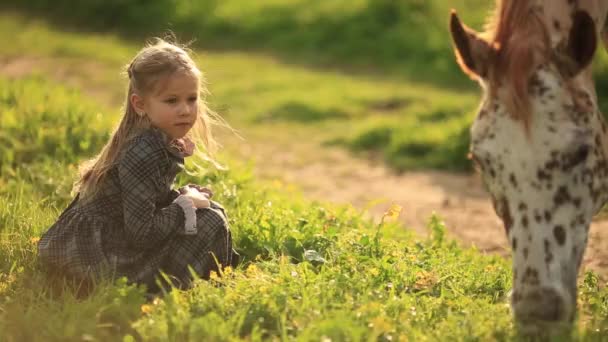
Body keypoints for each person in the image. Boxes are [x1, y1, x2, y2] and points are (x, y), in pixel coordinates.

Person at [38, 38, 238, 292]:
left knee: (211, 210)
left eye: (192, 98)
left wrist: (181, 197)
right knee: (208, 220)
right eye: (172, 101)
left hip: (111, 238)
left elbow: (143, 200)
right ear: (140, 104)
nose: (185, 110)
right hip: (100, 255)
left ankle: (215, 283)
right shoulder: (143, 149)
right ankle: (173, 292)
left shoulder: (153, 137)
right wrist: (184, 205)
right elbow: (142, 233)